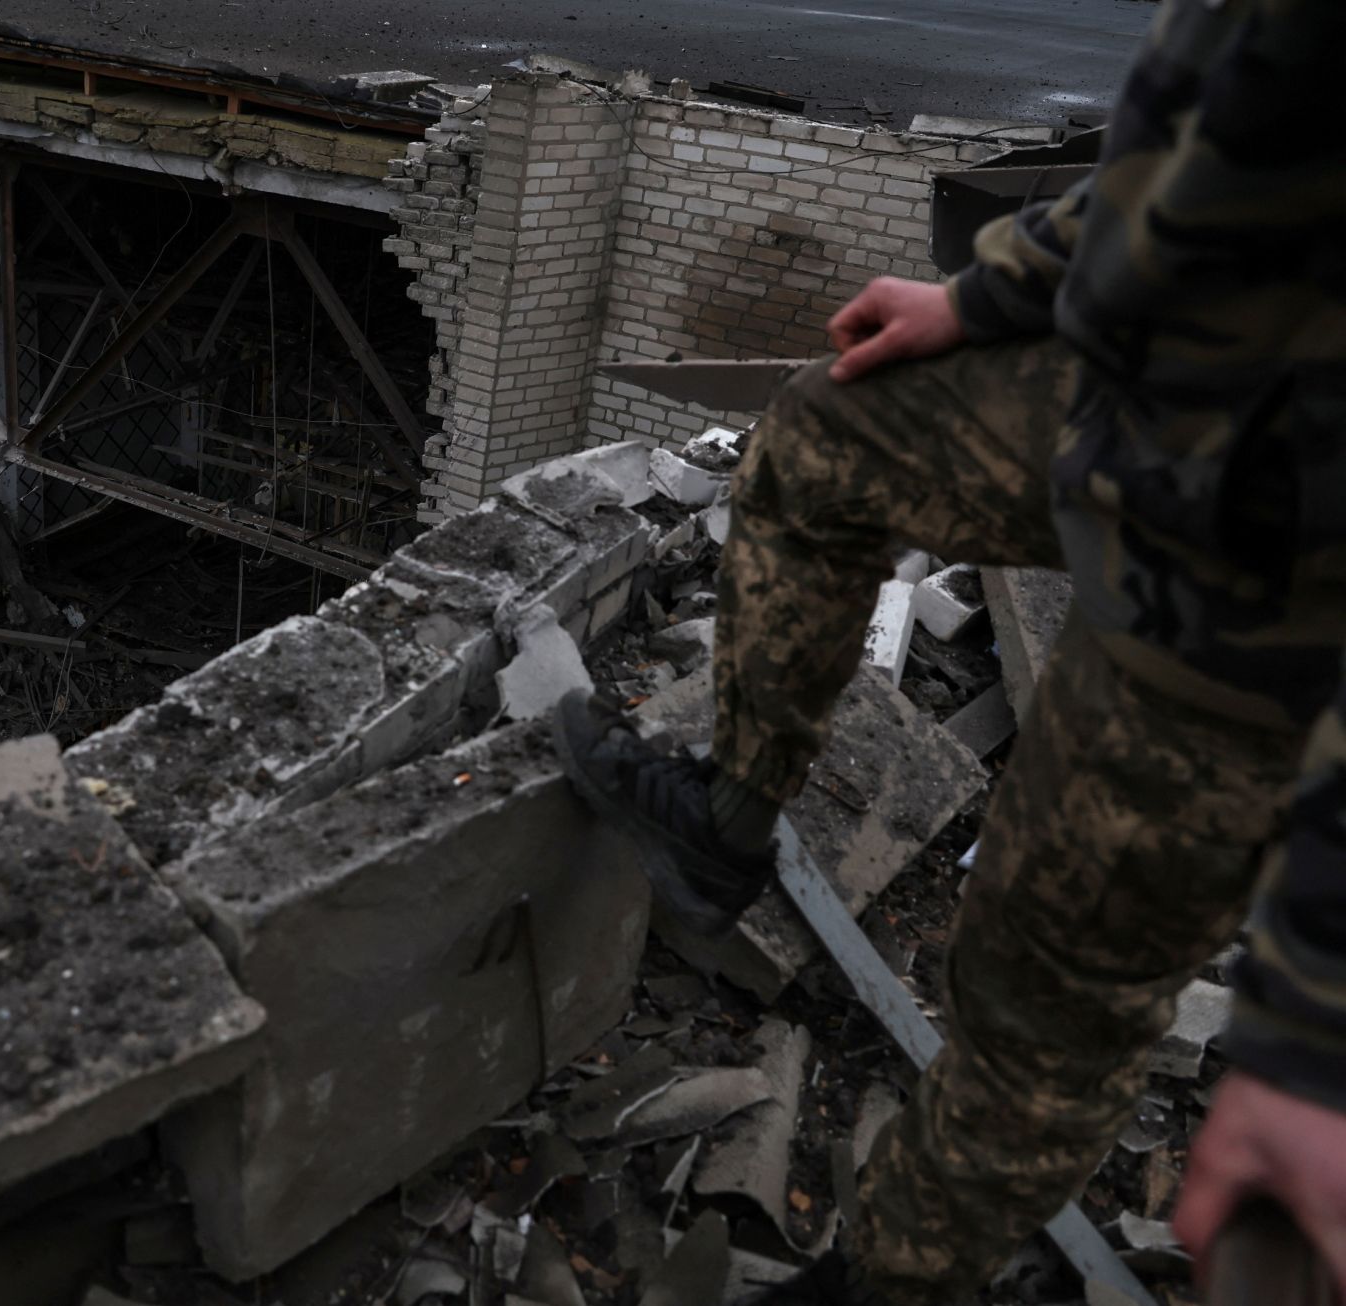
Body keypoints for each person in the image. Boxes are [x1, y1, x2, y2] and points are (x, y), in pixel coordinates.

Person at [553, 0, 1346, 1300]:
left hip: (1267, 615)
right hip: (1157, 425)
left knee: (1038, 1003)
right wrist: (988, 297)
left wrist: (1315, 1036)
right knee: (828, 440)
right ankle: (726, 822)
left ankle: (898, 1278)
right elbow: (1204, 143)